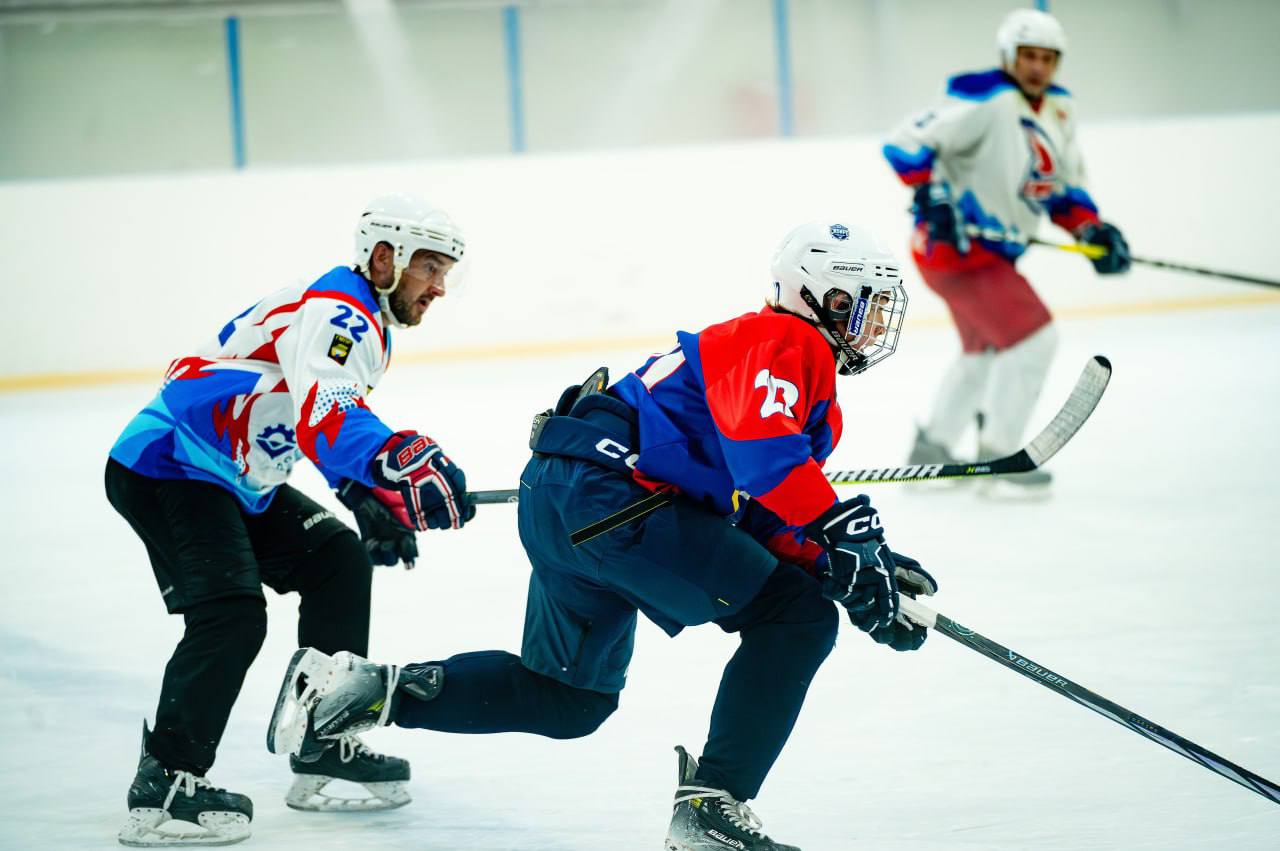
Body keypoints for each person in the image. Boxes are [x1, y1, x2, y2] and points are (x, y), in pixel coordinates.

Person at [266, 220, 940, 851]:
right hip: (616, 501)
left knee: (568, 699)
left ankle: (360, 691)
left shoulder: (775, 363)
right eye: (865, 304)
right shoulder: (788, 341)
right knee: (796, 619)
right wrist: (849, 536)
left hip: (567, 498)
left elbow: (766, 515)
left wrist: (851, 565)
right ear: (821, 295)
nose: (877, 322)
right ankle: (713, 806)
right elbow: (768, 458)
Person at [105, 193, 476, 846]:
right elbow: (329, 410)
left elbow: (308, 416)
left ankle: (322, 740)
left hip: (231, 474)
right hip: (171, 462)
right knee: (232, 612)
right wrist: (391, 458)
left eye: (446, 271)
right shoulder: (343, 313)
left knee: (338, 560)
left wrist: (359, 495)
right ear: (383, 257)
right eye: (429, 268)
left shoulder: (362, 318)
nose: (439, 287)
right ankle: (166, 780)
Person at [883, 7, 1130, 491]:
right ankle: (999, 453)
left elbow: (1061, 189)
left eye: (1047, 58)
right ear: (1008, 56)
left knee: (986, 350)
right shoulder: (984, 94)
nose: (1037, 66)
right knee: (1034, 338)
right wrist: (932, 194)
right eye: (1028, 55)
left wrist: (1090, 231)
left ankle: (932, 447)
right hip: (956, 250)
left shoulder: (1059, 109)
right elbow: (904, 143)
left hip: (988, 254)